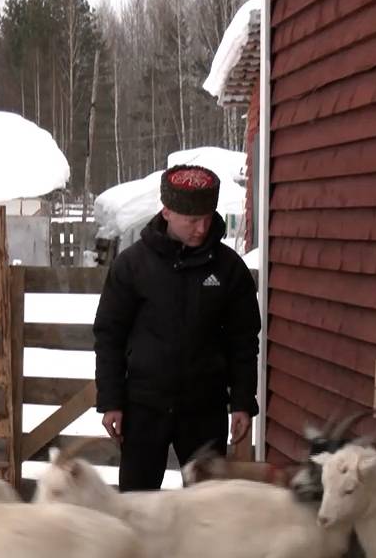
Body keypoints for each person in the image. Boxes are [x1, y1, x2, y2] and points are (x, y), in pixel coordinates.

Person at [92, 163, 261, 492]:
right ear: (167, 211)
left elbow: (243, 341)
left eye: (207, 218)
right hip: (143, 407)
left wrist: (242, 401)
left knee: (207, 505)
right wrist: (111, 400)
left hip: (204, 409)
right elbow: (109, 335)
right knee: (137, 504)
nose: (201, 228)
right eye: (192, 220)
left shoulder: (229, 269)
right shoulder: (132, 265)